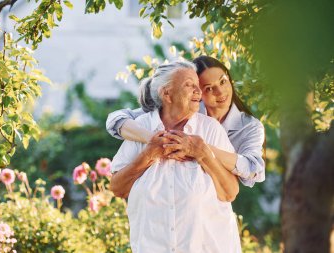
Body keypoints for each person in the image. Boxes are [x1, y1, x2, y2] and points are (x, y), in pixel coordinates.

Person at [110, 60, 241, 253]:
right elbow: (117, 188)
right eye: (189, 85)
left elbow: (230, 192)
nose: (198, 91)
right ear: (166, 93)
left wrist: (203, 154)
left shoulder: (209, 129)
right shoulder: (141, 129)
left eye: (198, 86)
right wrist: (148, 155)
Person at [106, 56, 265, 187]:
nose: (220, 92)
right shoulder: (185, 108)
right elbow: (116, 120)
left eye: (223, 81)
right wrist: (154, 139)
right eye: (208, 88)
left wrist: (199, 148)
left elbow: (253, 171)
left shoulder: (250, 127)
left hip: (220, 195)